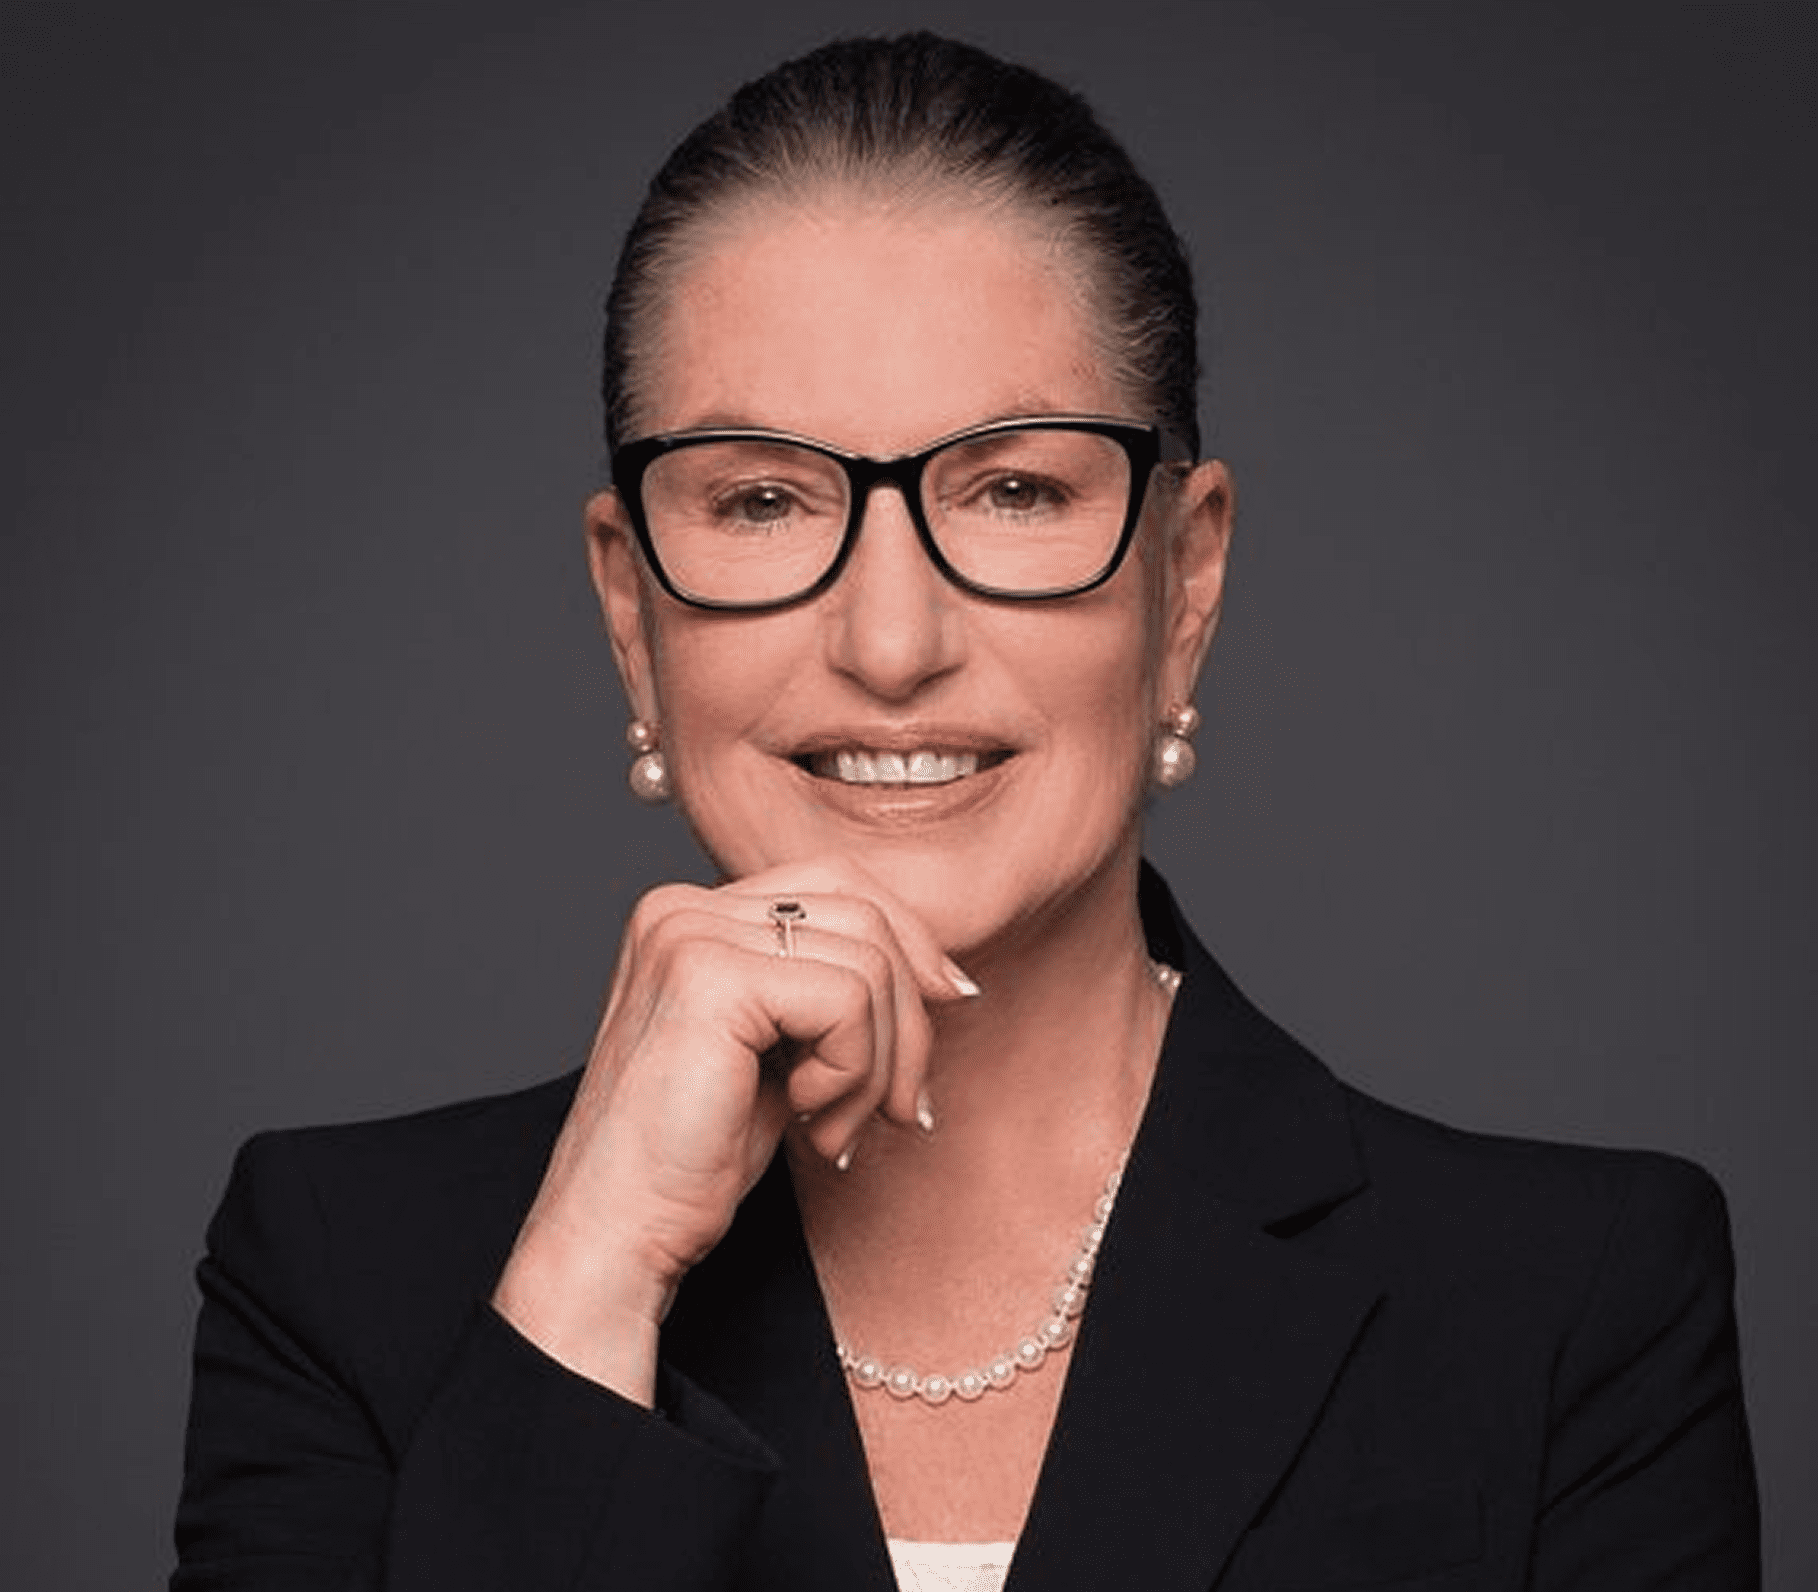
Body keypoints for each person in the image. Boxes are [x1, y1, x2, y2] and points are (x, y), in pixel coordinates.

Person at [170, 33, 1758, 1592]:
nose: (889, 644)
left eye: (1011, 492)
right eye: (761, 499)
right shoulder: (345, 1274)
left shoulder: (1564, 1301)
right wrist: (591, 1295)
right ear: (625, 606)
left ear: (1181, 581)